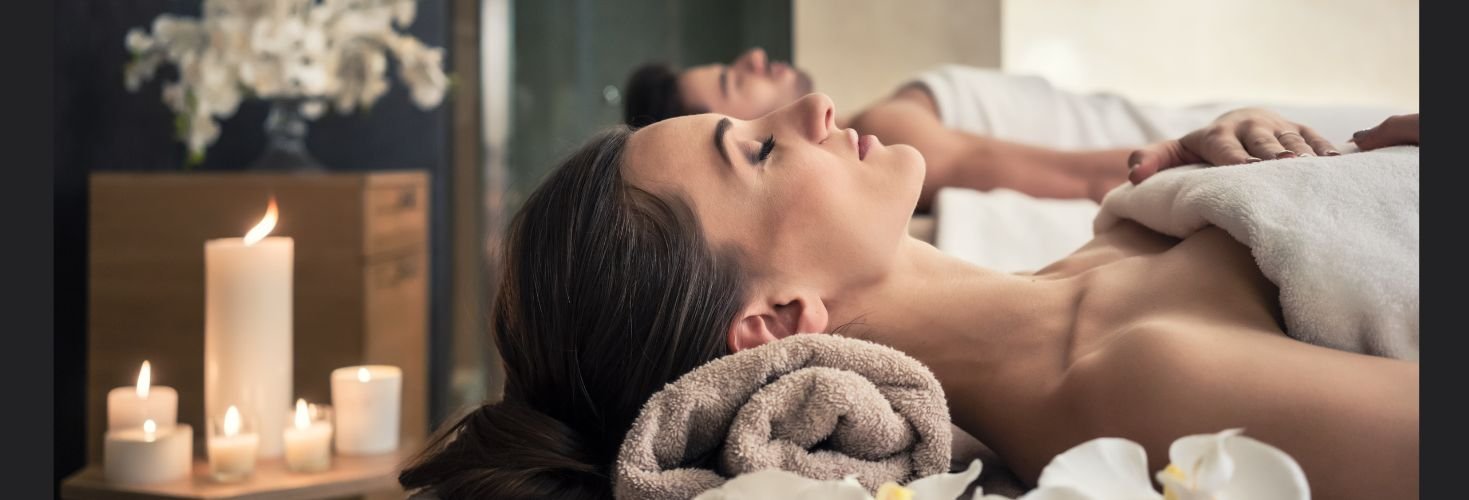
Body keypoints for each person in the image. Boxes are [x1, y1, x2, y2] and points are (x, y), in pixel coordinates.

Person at [400, 95, 1419, 500]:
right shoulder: (1133, 377)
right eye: (759, 150)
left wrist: (1279, 170)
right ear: (775, 317)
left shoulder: (1096, 263)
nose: (811, 107)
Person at [623, 47, 1401, 208]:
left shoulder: (880, 122)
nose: (756, 58)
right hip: (1259, 153)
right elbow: (1083, 176)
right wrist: (1243, 156)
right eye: (734, 82)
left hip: (1240, 131)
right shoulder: (894, 137)